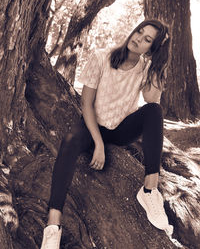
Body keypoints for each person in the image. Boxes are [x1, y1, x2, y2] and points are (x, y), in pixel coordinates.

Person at [40, 19, 173, 249]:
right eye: (139, 31)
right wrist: (98, 144)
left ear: (152, 49)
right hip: (92, 125)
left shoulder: (145, 68)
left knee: (154, 111)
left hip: (120, 130)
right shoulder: (101, 57)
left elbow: (152, 100)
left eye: (147, 40)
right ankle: (53, 225)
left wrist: (158, 64)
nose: (138, 38)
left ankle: (150, 189)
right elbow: (86, 103)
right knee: (70, 141)